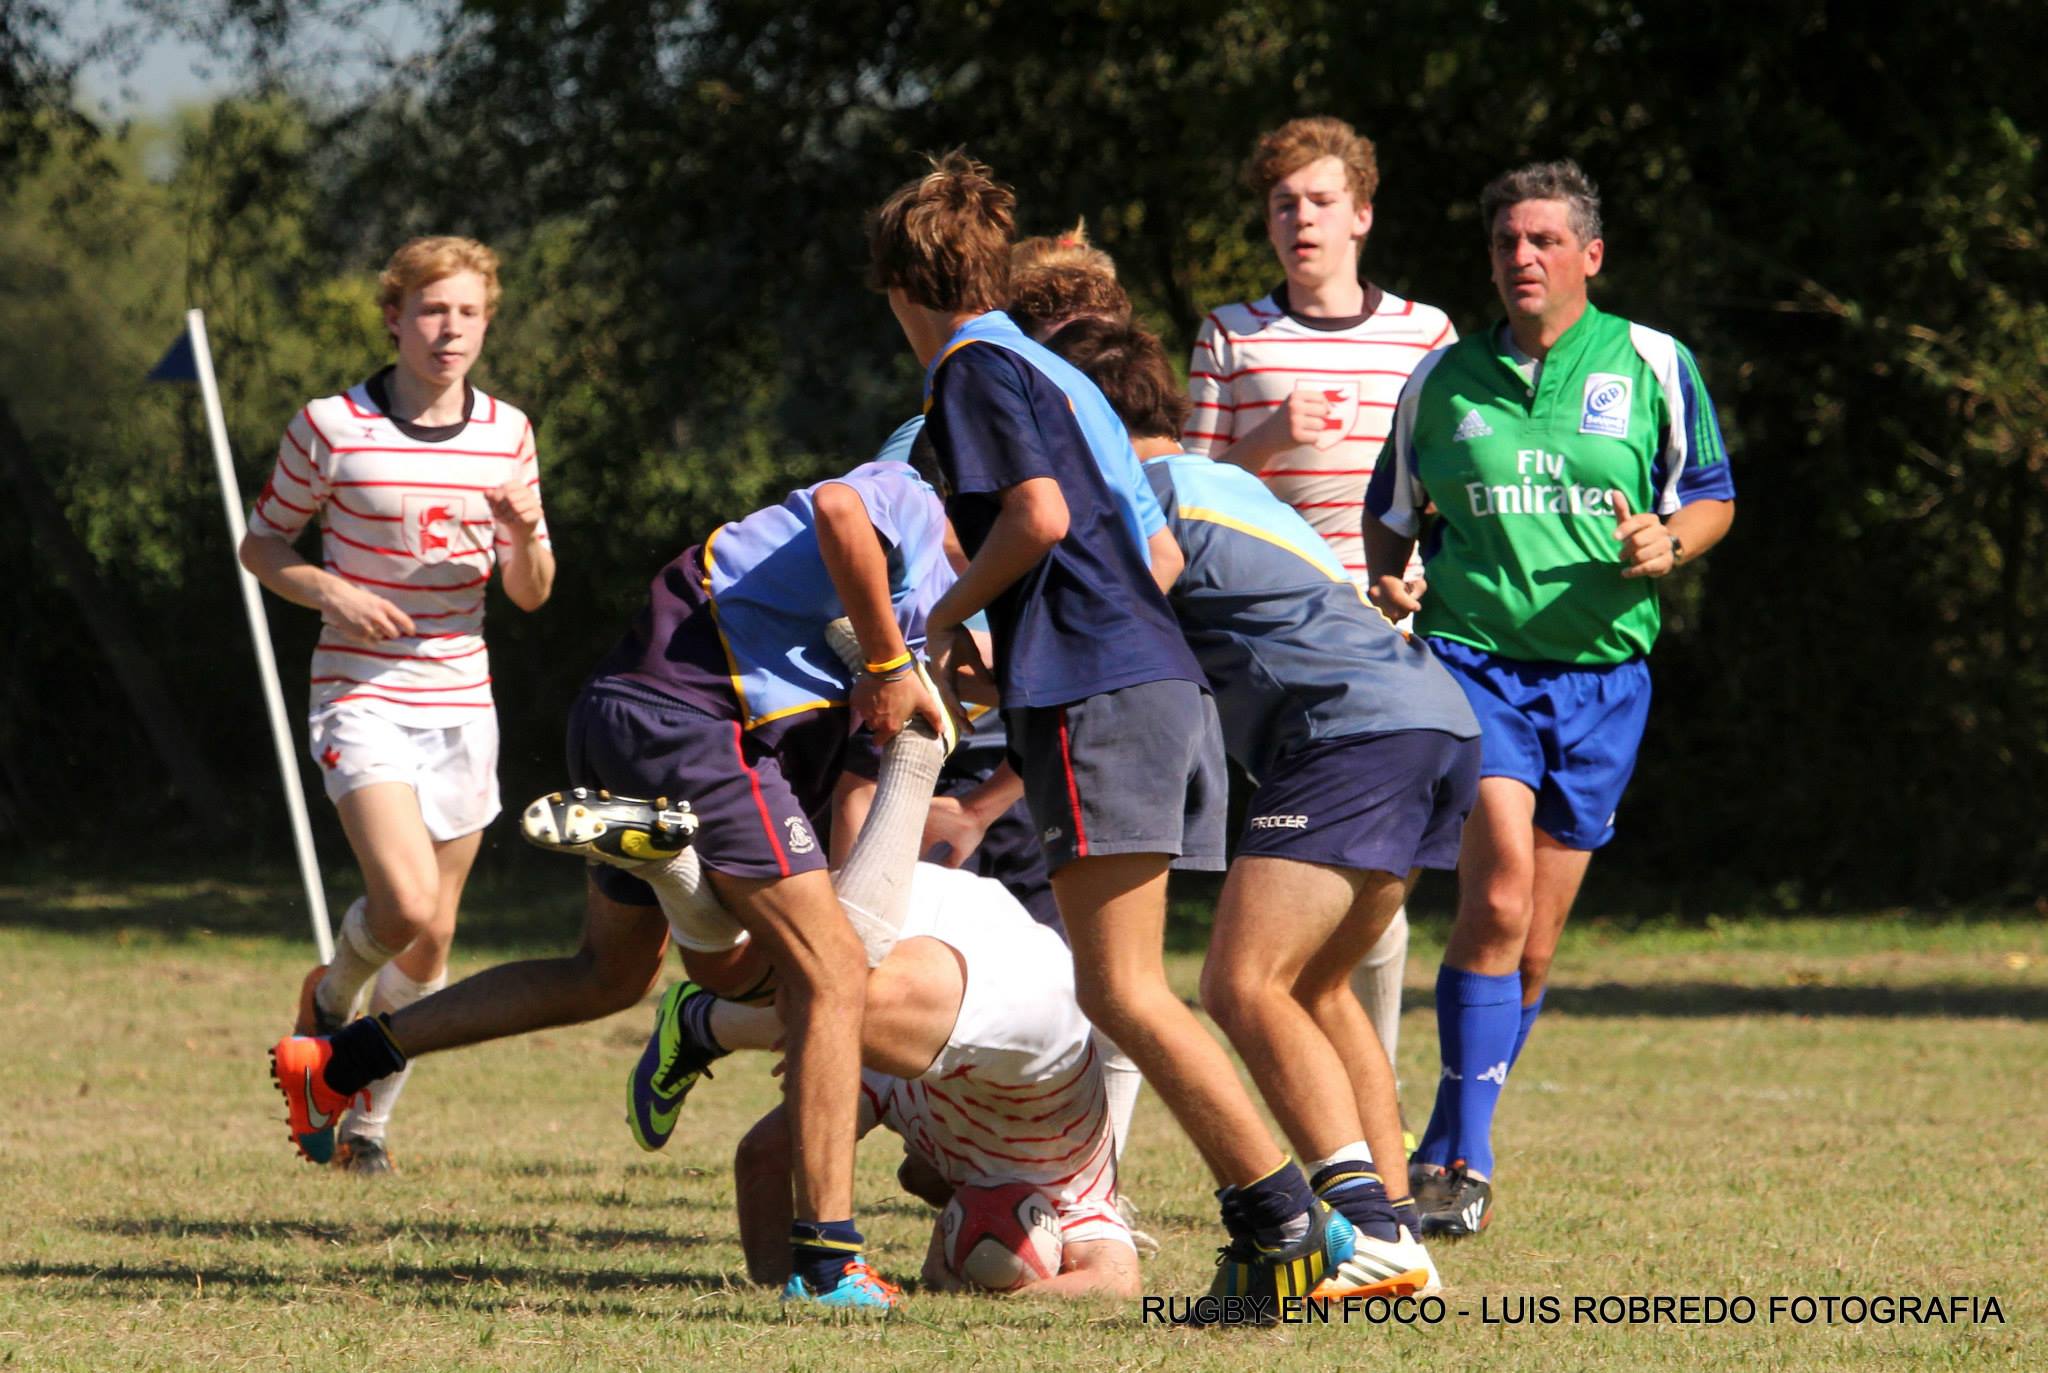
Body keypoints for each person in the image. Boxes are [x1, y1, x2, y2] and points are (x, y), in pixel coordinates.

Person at [270, 456, 953, 1308]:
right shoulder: (913, 504)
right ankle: (825, 1263)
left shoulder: (910, 579)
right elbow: (851, 520)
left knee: (607, 974)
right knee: (832, 969)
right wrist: (897, 672)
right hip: (700, 720)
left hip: (622, 708)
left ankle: (341, 1059)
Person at [868, 151, 1354, 1308]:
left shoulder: (970, 367)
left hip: (1104, 697)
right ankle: (1285, 1227)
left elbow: (1033, 518)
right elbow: (1136, 546)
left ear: (899, 286)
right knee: (1128, 985)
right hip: (1148, 686)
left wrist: (934, 620)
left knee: (1124, 989)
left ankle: (1288, 1224)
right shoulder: (1048, 367)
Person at [1053, 316, 1481, 1298]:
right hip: (1432, 719)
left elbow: (1113, 626)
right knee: (1320, 990)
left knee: (1239, 986)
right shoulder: (1227, 483)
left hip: (1347, 735)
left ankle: (1365, 1227)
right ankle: (1399, 1237)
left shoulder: (1137, 502)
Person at [1363, 159, 1737, 1237]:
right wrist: (1391, 574)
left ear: (1588, 255)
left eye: (1539, 241)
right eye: (1503, 243)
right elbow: (1392, 511)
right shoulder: (1440, 380)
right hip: (1473, 664)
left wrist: (1666, 539)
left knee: (1531, 940)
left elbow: (1709, 496)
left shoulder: (1654, 362)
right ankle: (1463, 1167)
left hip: (1604, 680)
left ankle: (1440, 1136)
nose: (1518, 259)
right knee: (1492, 893)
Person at [240, 236, 554, 1175]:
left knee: (439, 931)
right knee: (406, 904)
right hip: (360, 692)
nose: (446, 329)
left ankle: (366, 1123)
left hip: (465, 696)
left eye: (465, 312)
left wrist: (526, 530)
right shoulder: (332, 426)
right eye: (429, 310)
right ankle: (331, 1002)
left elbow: (533, 591)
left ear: (487, 321)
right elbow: (262, 547)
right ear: (393, 318)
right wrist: (330, 590)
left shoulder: (509, 432)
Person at [1186, 117, 1458, 1092]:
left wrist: (1425, 566)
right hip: (1273, 646)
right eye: (1281, 204)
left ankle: (1362, 1093)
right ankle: (1334, 1103)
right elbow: (1178, 491)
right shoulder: (1229, 333)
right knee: (1310, 881)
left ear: (1361, 214)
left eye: (1317, 200)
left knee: (1375, 892)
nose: (1298, 219)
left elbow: (1453, 476)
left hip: (1392, 633)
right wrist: (1263, 438)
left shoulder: (1426, 333)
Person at [619, 859, 1140, 1298]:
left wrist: (773, 1285)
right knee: (817, 997)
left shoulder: (903, 1098)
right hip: (1034, 1023)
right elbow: (1117, 1282)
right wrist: (964, 1290)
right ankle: (677, 881)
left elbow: (763, 1157)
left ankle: (682, 899)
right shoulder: (1076, 1199)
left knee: (787, 977)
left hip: (961, 905)